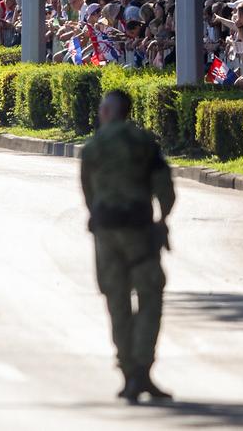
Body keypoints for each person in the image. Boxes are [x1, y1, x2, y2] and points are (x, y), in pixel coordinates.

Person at [80, 89, 175, 403]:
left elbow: (87, 189)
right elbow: (164, 185)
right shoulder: (143, 142)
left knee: (116, 300)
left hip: (105, 229)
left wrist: (96, 213)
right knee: (149, 296)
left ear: (107, 112)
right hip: (138, 229)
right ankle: (142, 369)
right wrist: (163, 218)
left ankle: (128, 370)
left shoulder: (93, 146)